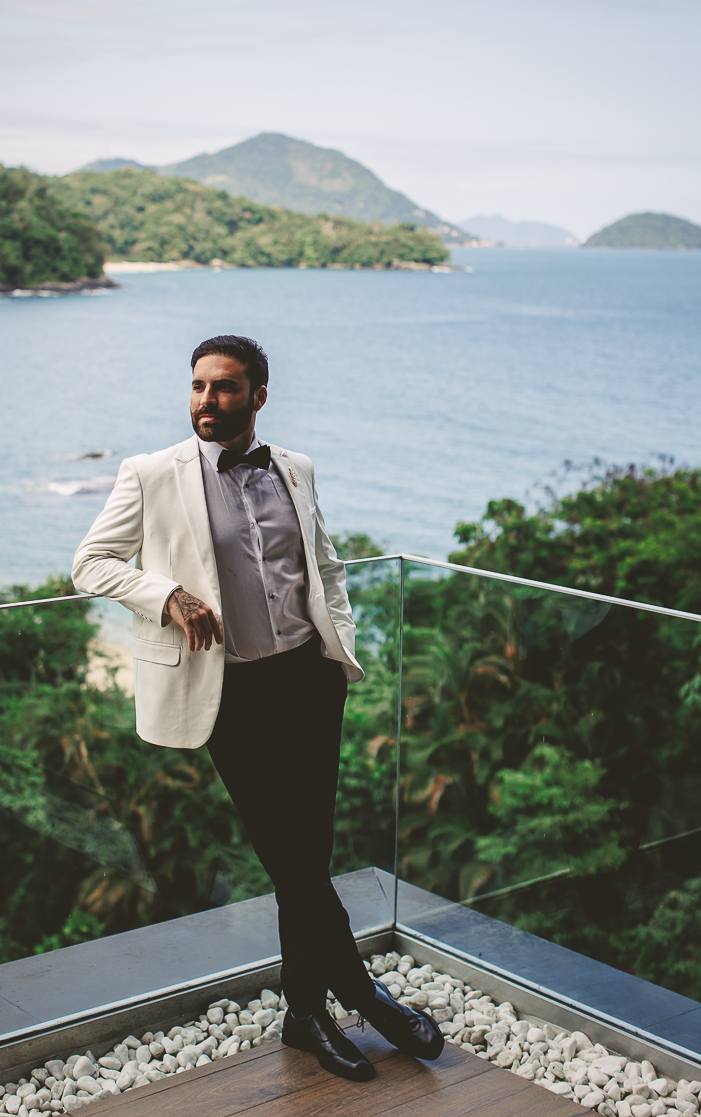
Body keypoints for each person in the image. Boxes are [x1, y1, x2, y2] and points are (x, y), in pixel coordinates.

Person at [72, 334, 443, 1082]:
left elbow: (324, 565)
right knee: (289, 857)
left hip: (308, 681)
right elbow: (91, 563)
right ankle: (364, 996)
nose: (206, 400)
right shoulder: (152, 473)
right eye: (198, 386)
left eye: (225, 387)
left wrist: (339, 648)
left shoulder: (295, 468)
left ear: (258, 396)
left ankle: (304, 1015)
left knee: (305, 856)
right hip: (230, 694)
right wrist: (166, 596)